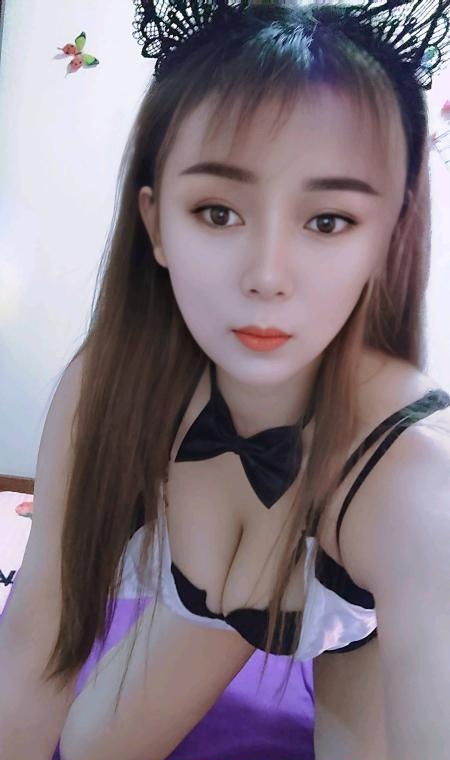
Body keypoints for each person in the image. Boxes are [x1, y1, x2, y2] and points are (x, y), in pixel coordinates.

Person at [1, 1, 450, 758]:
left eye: (328, 221)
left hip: (355, 629)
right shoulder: (110, 390)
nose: (267, 276)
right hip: (203, 607)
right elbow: (35, 635)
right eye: (217, 212)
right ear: (156, 223)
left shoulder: (419, 480)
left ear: (388, 235)